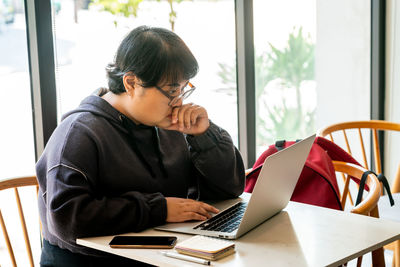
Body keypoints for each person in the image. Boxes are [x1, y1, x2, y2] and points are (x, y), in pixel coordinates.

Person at [36, 25, 245, 266]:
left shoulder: (166, 123)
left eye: (183, 89)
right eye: (172, 90)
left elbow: (230, 190)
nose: (179, 102)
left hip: (159, 255)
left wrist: (204, 137)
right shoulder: (79, 133)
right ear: (132, 83)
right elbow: (66, 218)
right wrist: (159, 209)